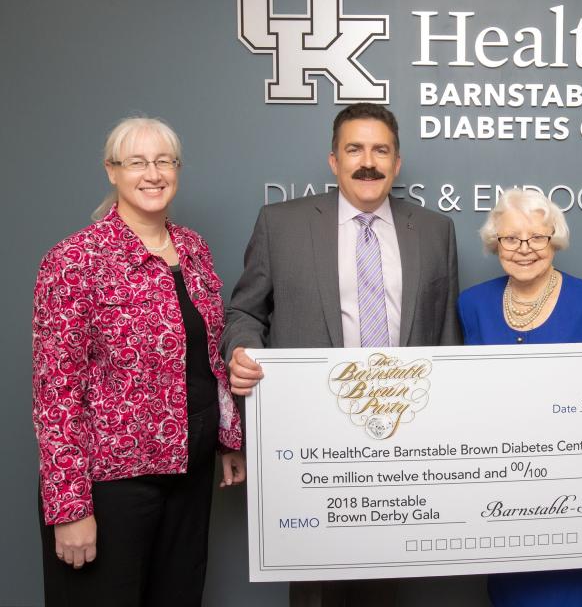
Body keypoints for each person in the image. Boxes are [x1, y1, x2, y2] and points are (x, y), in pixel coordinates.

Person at [223, 102, 461, 606]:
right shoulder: (279, 224)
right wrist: (240, 349)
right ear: (334, 160)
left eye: (381, 150)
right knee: (315, 583)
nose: (367, 162)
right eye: (354, 149)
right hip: (310, 437)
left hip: (404, 436)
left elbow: (444, 334)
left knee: (390, 577)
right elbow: (244, 312)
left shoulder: (436, 231)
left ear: (397, 163)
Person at [32, 116, 245, 607]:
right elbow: (55, 391)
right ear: (112, 171)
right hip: (111, 485)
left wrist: (228, 439)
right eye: (137, 162)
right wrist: (69, 509)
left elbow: (206, 360)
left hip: (189, 473)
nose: (153, 174)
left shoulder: (192, 249)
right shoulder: (73, 260)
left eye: (164, 161)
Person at [458, 188, 582, 607]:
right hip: (504, 503)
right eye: (511, 238)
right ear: (494, 243)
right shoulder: (472, 304)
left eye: (537, 237)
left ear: (555, 239)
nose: (524, 249)